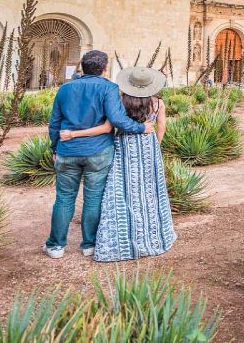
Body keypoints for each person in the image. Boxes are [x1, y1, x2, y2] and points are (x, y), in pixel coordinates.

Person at [62, 65, 176, 262]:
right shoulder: (158, 103)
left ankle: (123, 234)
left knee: (122, 188)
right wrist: (155, 145)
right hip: (148, 147)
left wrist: (73, 134)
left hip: (124, 146)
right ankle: (152, 233)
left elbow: (109, 126)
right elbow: (161, 127)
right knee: (149, 190)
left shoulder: (121, 101)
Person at [43, 50, 147, 259]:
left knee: (64, 198)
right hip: (98, 151)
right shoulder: (109, 88)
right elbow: (117, 119)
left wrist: (55, 147)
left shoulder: (65, 89)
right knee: (93, 198)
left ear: (82, 66)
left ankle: (55, 246)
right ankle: (89, 244)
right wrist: (141, 128)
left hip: (68, 150)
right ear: (105, 68)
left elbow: (54, 123)